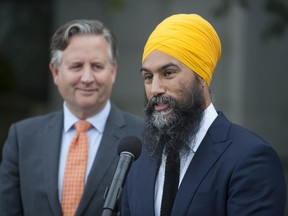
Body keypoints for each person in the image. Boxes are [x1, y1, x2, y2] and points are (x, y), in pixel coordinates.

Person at [121, 13, 286, 216]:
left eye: (168, 73)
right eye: (148, 77)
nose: (155, 88)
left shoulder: (250, 158)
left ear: (202, 77)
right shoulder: (138, 162)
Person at [0, 19, 144, 216]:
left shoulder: (143, 137)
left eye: (97, 66)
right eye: (76, 66)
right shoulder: (23, 137)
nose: (87, 78)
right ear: (56, 71)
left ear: (113, 71)